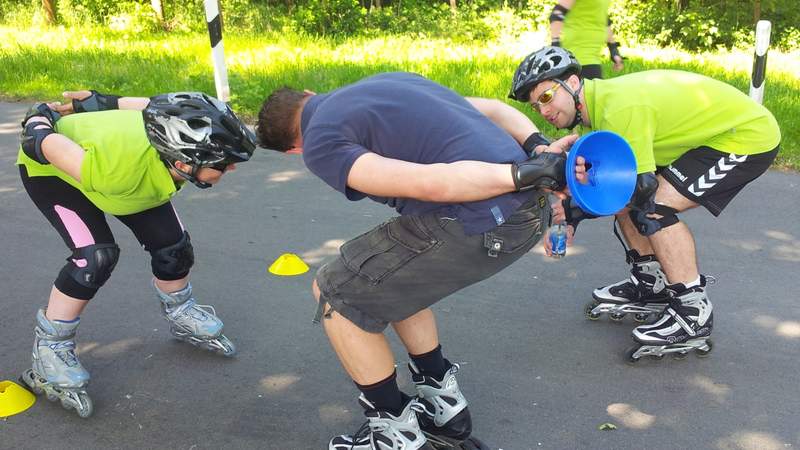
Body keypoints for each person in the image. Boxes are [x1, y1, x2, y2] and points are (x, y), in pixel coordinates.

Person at [256, 72, 581, 449]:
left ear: (292, 150)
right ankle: (444, 407)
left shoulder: (320, 143)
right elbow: (492, 110)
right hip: (529, 210)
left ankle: (394, 431)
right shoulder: (384, 83)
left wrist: (524, 174)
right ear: (309, 93)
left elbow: (431, 183)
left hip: (487, 215)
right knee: (388, 273)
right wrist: (538, 148)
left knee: (336, 293)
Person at [508, 47, 781, 361]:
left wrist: (576, 213)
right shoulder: (598, 112)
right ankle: (651, 281)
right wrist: (570, 216)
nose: (543, 112)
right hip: (704, 138)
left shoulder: (619, 108)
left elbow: (639, 190)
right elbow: (617, 186)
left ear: (572, 82)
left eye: (546, 97)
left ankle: (693, 311)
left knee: (654, 208)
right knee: (631, 197)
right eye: (535, 106)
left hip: (746, 137)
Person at [16, 90, 257, 417]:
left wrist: (96, 100)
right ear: (184, 162)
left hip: (127, 171)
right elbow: (45, 146)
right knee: (95, 257)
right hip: (56, 172)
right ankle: (50, 349)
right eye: (224, 164)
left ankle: (180, 310)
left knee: (174, 247)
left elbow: (147, 104)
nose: (231, 170)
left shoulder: (168, 132)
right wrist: (38, 122)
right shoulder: (116, 172)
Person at [548, 0, 624, 80]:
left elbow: (603, 18)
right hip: (577, 53)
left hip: (593, 56)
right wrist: (556, 48)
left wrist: (613, 49)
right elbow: (557, 14)